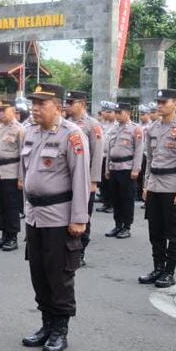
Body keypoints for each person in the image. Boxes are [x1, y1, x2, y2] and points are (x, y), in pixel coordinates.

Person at [20, 83, 90, 351]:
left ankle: (60, 329)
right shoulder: (30, 132)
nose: (35, 109)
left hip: (60, 217)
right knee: (38, 273)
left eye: (41, 104)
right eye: (33, 104)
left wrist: (79, 219)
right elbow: (28, 174)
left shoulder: (72, 136)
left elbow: (81, 179)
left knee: (59, 276)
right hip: (35, 216)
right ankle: (46, 324)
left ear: (58, 107)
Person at [140, 89, 176, 288]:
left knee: (172, 231)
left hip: (173, 185)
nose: (159, 105)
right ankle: (158, 267)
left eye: (164, 102)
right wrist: (146, 184)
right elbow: (149, 159)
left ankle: (169, 271)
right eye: (158, 101)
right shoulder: (152, 128)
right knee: (155, 231)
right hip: (154, 185)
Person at [64, 91, 104, 266]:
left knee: (83, 216)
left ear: (82, 104)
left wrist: (93, 181)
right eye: (67, 102)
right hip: (67, 178)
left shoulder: (92, 125)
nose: (68, 105)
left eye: (71, 102)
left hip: (85, 178)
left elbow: (97, 154)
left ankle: (80, 251)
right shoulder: (65, 123)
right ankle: (67, 249)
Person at [103, 102, 144, 239]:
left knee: (126, 199)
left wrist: (136, 169)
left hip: (127, 168)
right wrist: (107, 167)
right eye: (116, 112)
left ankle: (126, 226)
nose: (117, 115)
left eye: (120, 112)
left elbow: (139, 150)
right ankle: (118, 224)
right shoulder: (114, 128)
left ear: (128, 113)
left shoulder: (135, 129)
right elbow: (109, 148)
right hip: (114, 167)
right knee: (115, 198)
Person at [0, 98, 24, 251]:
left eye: (4, 110)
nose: (1, 113)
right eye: (0, 110)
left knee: (11, 206)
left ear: (13, 111)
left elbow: (24, 156)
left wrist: (21, 178)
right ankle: (3, 234)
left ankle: (12, 237)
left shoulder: (20, 129)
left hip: (12, 172)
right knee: (0, 205)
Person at [96, 102, 117, 213]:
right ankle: (105, 202)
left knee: (110, 183)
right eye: (104, 111)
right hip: (102, 156)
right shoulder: (101, 124)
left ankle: (112, 204)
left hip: (111, 157)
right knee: (103, 182)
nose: (105, 114)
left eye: (108, 112)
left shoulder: (117, 125)